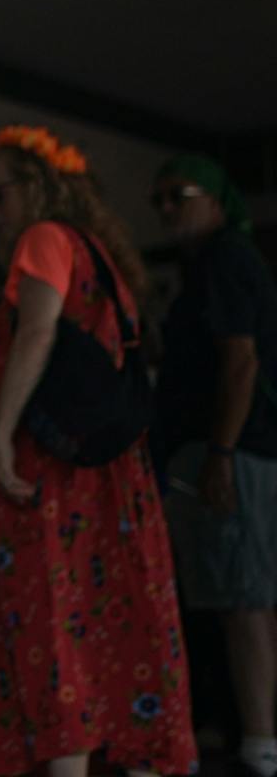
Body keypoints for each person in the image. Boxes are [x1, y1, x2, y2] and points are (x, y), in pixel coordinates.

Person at [0, 124, 194, 777]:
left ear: (37, 186)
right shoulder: (100, 256)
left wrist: (0, 437)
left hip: (52, 471)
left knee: (50, 620)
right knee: (120, 622)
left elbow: (36, 334)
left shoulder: (43, 241)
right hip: (111, 476)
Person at [151, 153, 277, 777]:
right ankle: (245, 731)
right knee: (228, 592)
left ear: (217, 199)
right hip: (215, 448)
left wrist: (222, 453)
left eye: (181, 194)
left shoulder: (226, 259)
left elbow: (241, 361)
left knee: (243, 594)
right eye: (161, 199)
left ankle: (259, 739)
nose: (169, 209)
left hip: (233, 448)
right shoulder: (204, 268)